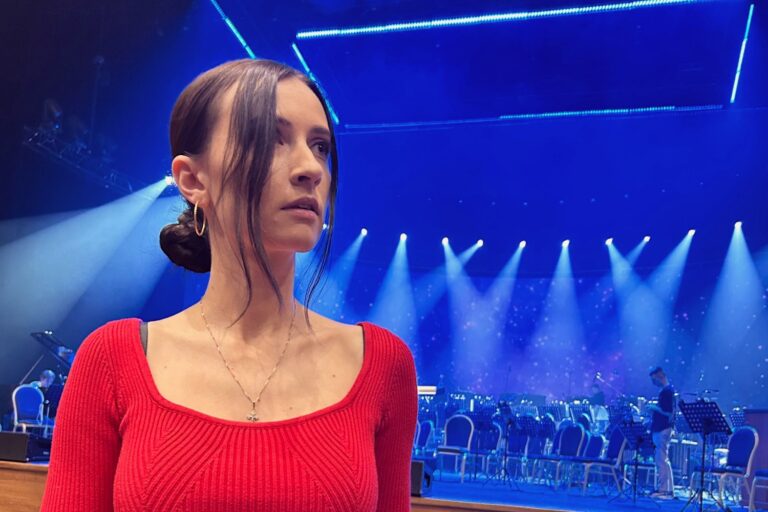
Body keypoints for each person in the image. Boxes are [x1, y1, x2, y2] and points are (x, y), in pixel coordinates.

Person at [41, 59, 418, 511]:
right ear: (192, 179)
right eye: (271, 139)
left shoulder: (382, 366)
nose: (311, 168)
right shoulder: (112, 361)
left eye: (319, 146)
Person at [647, 366, 676, 499]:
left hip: (663, 428)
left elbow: (668, 412)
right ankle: (668, 490)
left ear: (660, 376)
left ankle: (663, 489)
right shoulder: (667, 391)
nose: (653, 383)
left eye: (654, 379)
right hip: (663, 428)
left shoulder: (667, 392)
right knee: (664, 459)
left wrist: (654, 408)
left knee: (661, 460)